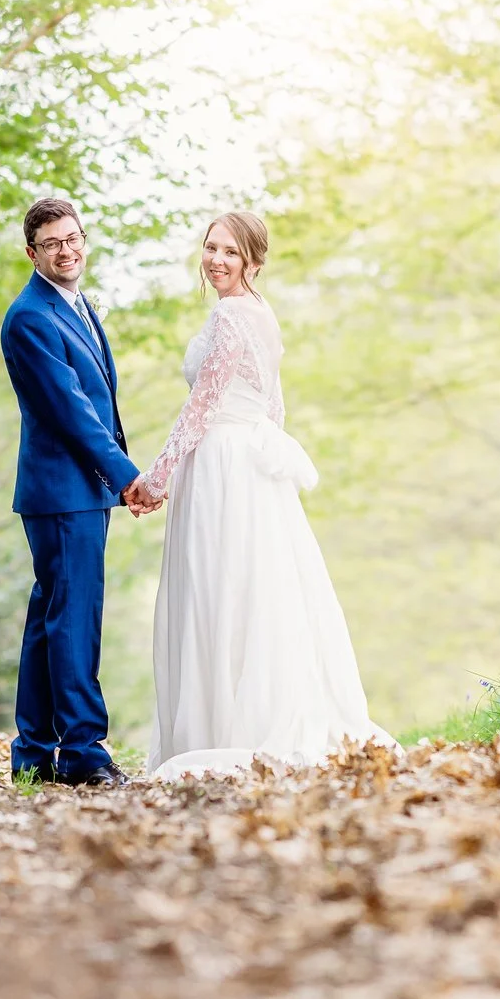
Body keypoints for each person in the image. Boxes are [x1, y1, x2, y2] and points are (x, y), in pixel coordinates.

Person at [123, 212, 391, 779]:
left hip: (221, 466)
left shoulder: (228, 315)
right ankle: (231, 718)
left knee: (222, 586)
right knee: (250, 587)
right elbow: (275, 408)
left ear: (253, 261)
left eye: (230, 253)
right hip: (246, 465)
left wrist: (158, 474)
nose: (216, 260)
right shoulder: (262, 315)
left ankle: (222, 732)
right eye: (210, 248)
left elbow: (203, 405)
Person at [1, 196, 139, 787]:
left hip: (79, 490)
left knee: (51, 620)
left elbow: (99, 396)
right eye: (53, 243)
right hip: (63, 493)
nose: (67, 249)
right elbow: (73, 413)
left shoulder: (75, 306)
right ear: (32, 253)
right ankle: (83, 751)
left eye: (74, 237)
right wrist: (128, 475)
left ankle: (33, 752)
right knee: (75, 617)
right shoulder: (30, 317)